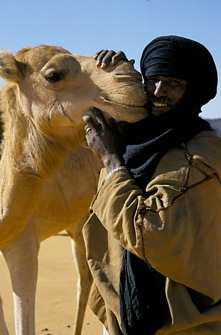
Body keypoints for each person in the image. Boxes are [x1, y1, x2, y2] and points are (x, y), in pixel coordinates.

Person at [82, 35, 221, 335]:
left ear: (194, 89)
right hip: (132, 314)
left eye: (173, 83)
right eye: (152, 79)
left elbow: (150, 230)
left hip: (183, 324)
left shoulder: (199, 157)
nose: (159, 92)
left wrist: (111, 162)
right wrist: (118, 75)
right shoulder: (143, 138)